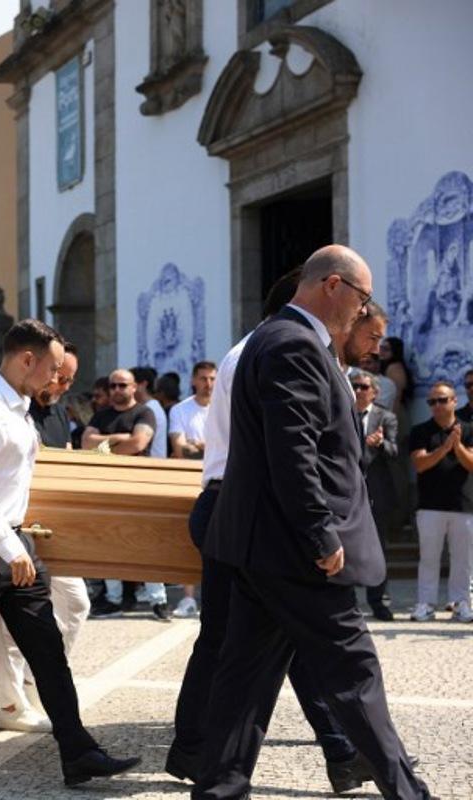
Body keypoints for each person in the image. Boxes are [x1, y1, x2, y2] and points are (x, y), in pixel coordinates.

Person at [193, 245, 430, 798]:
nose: (362, 310)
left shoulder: (277, 338)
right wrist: (320, 532)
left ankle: (218, 790)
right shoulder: (294, 344)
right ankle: (408, 792)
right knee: (354, 670)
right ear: (333, 286)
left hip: (263, 545)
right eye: (362, 298)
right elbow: (292, 451)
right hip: (294, 550)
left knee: (245, 680)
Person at [0, 319, 140, 788]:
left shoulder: (17, 407)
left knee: (47, 648)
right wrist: (6, 544)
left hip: (11, 542)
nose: (58, 378)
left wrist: (16, 542)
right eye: (54, 367)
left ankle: (78, 753)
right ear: (26, 360)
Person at [0, 346, 91, 733]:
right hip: (15, 526)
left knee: (76, 604)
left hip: (55, 526)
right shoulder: (18, 408)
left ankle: (35, 683)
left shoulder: (59, 413)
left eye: (67, 380)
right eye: (58, 375)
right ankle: (11, 703)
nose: (61, 385)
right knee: (8, 622)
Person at [82, 370, 169, 619]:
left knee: (147, 543)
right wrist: (121, 438)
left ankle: (158, 600)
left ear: (134, 388)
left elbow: (139, 443)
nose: (117, 390)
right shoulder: (101, 415)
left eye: (122, 385)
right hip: (107, 486)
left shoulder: (145, 412)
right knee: (109, 542)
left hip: (140, 485)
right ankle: (113, 598)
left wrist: (105, 445)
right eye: (113, 386)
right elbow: (87, 443)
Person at [408, 380, 473, 623]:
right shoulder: (420, 431)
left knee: (463, 560)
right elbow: (420, 464)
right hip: (429, 506)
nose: (437, 405)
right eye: (432, 401)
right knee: (428, 558)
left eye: (442, 400)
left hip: (464, 505)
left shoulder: (468, 429)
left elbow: (471, 464)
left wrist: (457, 446)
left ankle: (461, 603)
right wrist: (445, 449)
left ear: (454, 401)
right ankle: (425, 604)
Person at [167, 361, 216, 618]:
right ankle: (188, 597)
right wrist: (207, 447)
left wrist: (200, 446)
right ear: (194, 381)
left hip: (217, 479)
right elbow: (179, 449)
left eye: (212, 379)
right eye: (203, 378)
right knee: (189, 537)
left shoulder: (223, 408)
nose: (208, 384)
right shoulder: (180, 410)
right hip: (188, 477)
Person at [351, 369, 399, 621]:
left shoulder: (386, 418)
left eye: (363, 387)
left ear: (375, 393)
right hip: (347, 494)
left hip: (376, 493)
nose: (358, 391)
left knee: (378, 548)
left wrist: (380, 443)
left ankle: (378, 601)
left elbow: (394, 451)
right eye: (355, 386)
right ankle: (347, 603)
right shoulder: (341, 413)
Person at [132, 366, 168, 458]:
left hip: (152, 465)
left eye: (131, 384)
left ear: (143, 384)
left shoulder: (150, 409)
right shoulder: (148, 407)